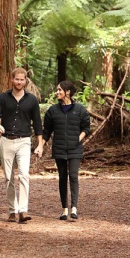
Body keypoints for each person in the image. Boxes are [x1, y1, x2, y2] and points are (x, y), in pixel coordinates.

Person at [0, 67, 44, 223]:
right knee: (9, 178)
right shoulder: (2, 97)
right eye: (17, 79)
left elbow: (38, 123)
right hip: (6, 140)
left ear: (25, 80)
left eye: (22, 79)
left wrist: (40, 144)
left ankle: (23, 210)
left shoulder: (32, 100)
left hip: (24, 141)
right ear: (12, 79)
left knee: (23, 175)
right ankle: (12, 210)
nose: (19, 82)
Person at [42, 80, 90, 221]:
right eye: (57, 90)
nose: (57, 92)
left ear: (67, 92)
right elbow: (47, 131)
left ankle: (74, 208)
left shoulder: (80, 110)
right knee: (63, 177)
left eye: (59, 90)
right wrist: (41, 145)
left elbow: (86, 127)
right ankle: (64, 209)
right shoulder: (53, 111)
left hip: (75, 148)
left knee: (73, 176)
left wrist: (78, 139)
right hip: (59, 148)